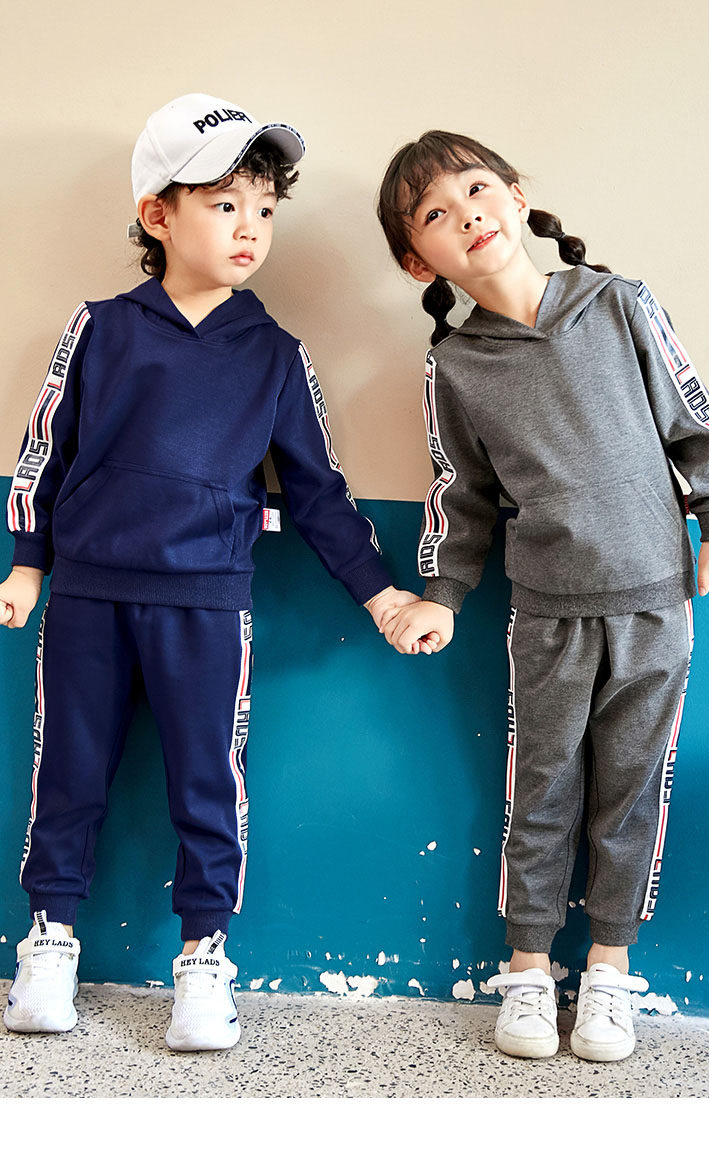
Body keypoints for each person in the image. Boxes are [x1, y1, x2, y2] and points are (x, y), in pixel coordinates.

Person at [1, 93, 419, 1051]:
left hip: (206, 604)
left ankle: (204, 956)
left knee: (207, 784)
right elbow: (43, 453)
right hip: (89, 597)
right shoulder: (98, 329)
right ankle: (49, 942)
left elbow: (318, 491)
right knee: (67, 772)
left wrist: (381, 590)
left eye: (264, 209)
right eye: (225, 204)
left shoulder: (275, 356)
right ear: (158, 214)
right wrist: (29, 563)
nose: (250, 228)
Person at [376, 130, 709, 1062]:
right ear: (419, 260)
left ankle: (611, 972)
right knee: (540, 791)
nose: (467, 214)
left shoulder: (620, 303)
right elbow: (460, 496)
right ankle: (530, 972)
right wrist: (442, 593)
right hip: (546, 614)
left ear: (514, 194)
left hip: (658, 602)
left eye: (476, 189)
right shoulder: (455, 367)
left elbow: (695, 420)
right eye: (435, 213)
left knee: (631, 792)